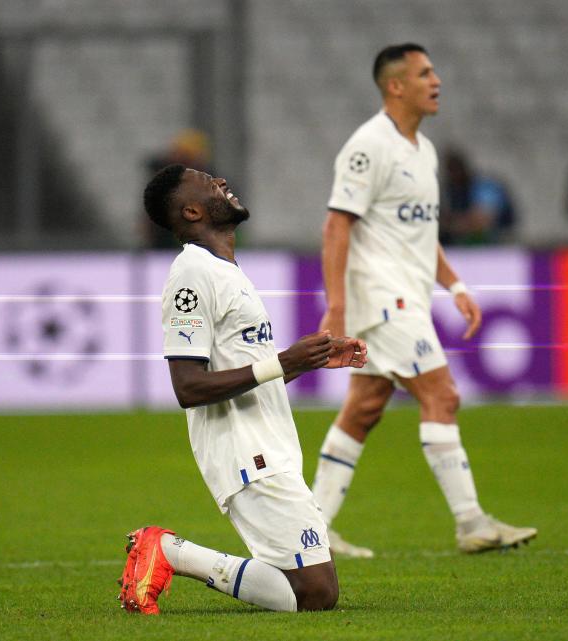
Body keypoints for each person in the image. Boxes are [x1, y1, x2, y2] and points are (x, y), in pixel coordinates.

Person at [311, 43, 537, 559]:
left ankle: (312, 528)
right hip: (382, 298)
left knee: (364, 408)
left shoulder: (424, 150)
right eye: (425, 73)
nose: (437, 81)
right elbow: (336, 224)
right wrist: (337, 307)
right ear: (396, 86)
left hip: (404, 294)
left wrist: (455, 285)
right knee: (443, 395)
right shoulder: (368, 146)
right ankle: (471, 522)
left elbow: (419, 233)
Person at [118, 164, 368, 614]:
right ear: (192, 211)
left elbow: (248, 369)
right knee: (315, 594)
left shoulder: (226, 270)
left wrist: (303, 363)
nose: (221, 182)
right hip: (243, 449)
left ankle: (169, 552)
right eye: (207, 182)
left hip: (269, 443)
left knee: (310, 588)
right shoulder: (191, 276)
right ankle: (169, 552)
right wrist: (284, 361)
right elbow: (188, 385)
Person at [439, 148, 517, 245]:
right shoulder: (452, 190)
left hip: (498, 242)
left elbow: (482, 220)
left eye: (455, 171)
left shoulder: (485, 186)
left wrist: (453, 224)